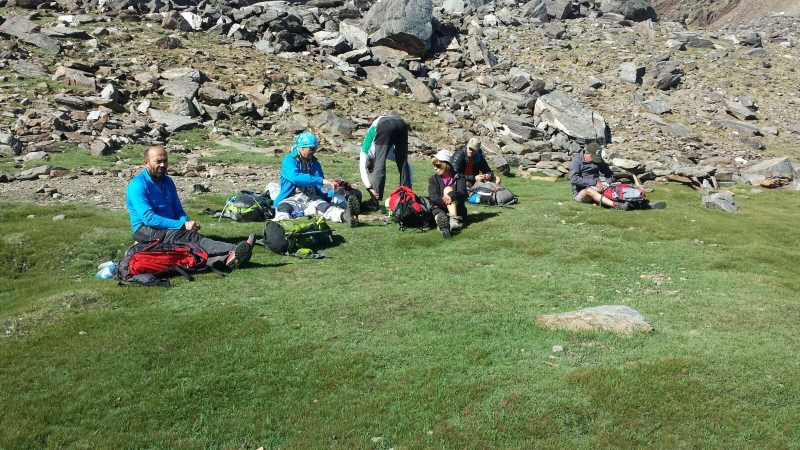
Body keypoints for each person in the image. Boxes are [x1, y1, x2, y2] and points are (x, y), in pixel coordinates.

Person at [126, 146, 254, 270]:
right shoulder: (138, 184)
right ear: (146, 163)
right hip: (145, 229)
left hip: (168, 226)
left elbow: (178, 210)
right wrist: (182, 225)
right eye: (158, 161)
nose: (163, 165)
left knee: (187, 243)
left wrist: (187, 223)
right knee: (189, 238)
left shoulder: (168, 182)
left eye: (165, 161)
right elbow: (148, 218)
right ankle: (235, 249)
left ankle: (227, 259)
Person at [273, 132, 359, 227]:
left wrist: (334, 190)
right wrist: (322, 180)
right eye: (312, 148)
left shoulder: (315, 164)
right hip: (292, 198)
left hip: (312, 199)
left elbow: (321, 187)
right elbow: (295, 178)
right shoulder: (289, 160)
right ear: (302, 148)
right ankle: (279, 226)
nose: (314, 151)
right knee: (283, 208)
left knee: (326, 208)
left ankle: (346, 216)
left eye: (315, 148)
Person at [569, 143, 666, 210]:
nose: (595, 160)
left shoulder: (598, 160)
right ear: (587, 153)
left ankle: (645, 203)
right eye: (593, 158)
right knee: (590, 191)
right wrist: (594, 183)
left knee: (618, 190)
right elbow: (574, 179)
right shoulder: (576, 161)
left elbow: (609, 174)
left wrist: (607, 183)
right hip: (582, 192)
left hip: (599, 187)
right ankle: (616, 205)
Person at [360, 115, 412, 203]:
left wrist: (369, 188)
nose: (371, 165)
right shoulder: (389, 154)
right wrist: (409, 184)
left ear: (369, 162)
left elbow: (362, 170)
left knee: (379, 165)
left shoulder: (364, 151)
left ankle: (375, 200)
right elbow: (407, 165)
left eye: (370, 166)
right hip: (401, 123)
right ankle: (406, 197)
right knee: (403, 162)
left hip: (384, 125)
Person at [427, 150, 468, 238]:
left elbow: (463, 193)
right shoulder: (433, 179)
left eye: (438, 165)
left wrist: (451, 195)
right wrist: (445, 200)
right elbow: (433, 197)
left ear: (446, 165)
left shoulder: (459, 177)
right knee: (439, 215)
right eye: (434, 165)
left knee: (448, 189)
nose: (435, 168)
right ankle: (443, 226)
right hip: (440, 207)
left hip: (457, 208)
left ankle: (453, 219)